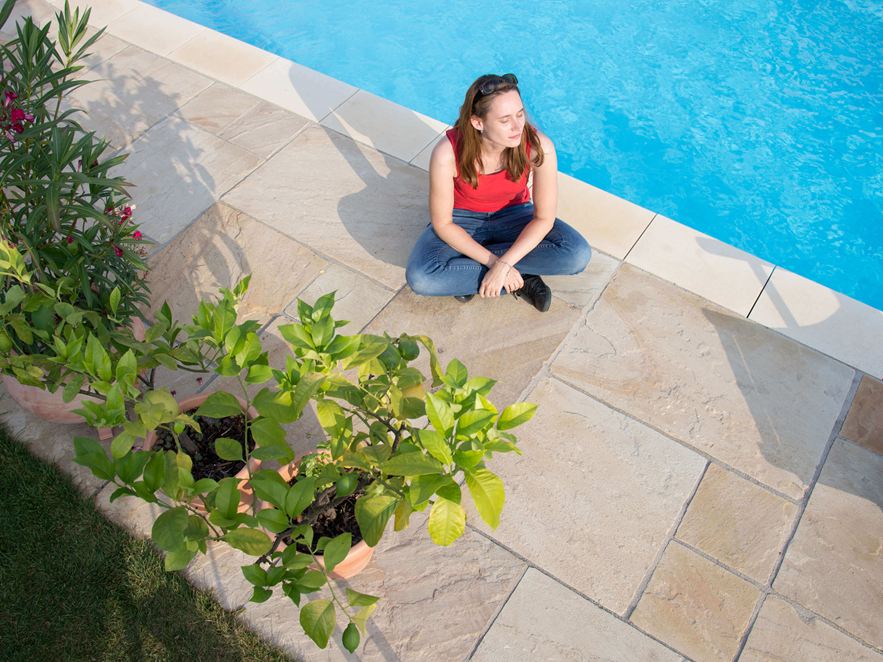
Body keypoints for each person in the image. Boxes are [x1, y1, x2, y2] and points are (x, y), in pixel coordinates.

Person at [405, 73, 591, 312]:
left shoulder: (538, 146)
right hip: (462, 221)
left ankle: (471, 274)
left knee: (576, 255)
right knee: (423, 277)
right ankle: (521, 277)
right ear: (477, 122)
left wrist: (504, 265)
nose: (517, 126)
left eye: (520, 114)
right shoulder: (447, 153)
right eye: (505, 120)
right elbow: (443, 224)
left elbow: (544, 218)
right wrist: (496, 263)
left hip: (515, 216)